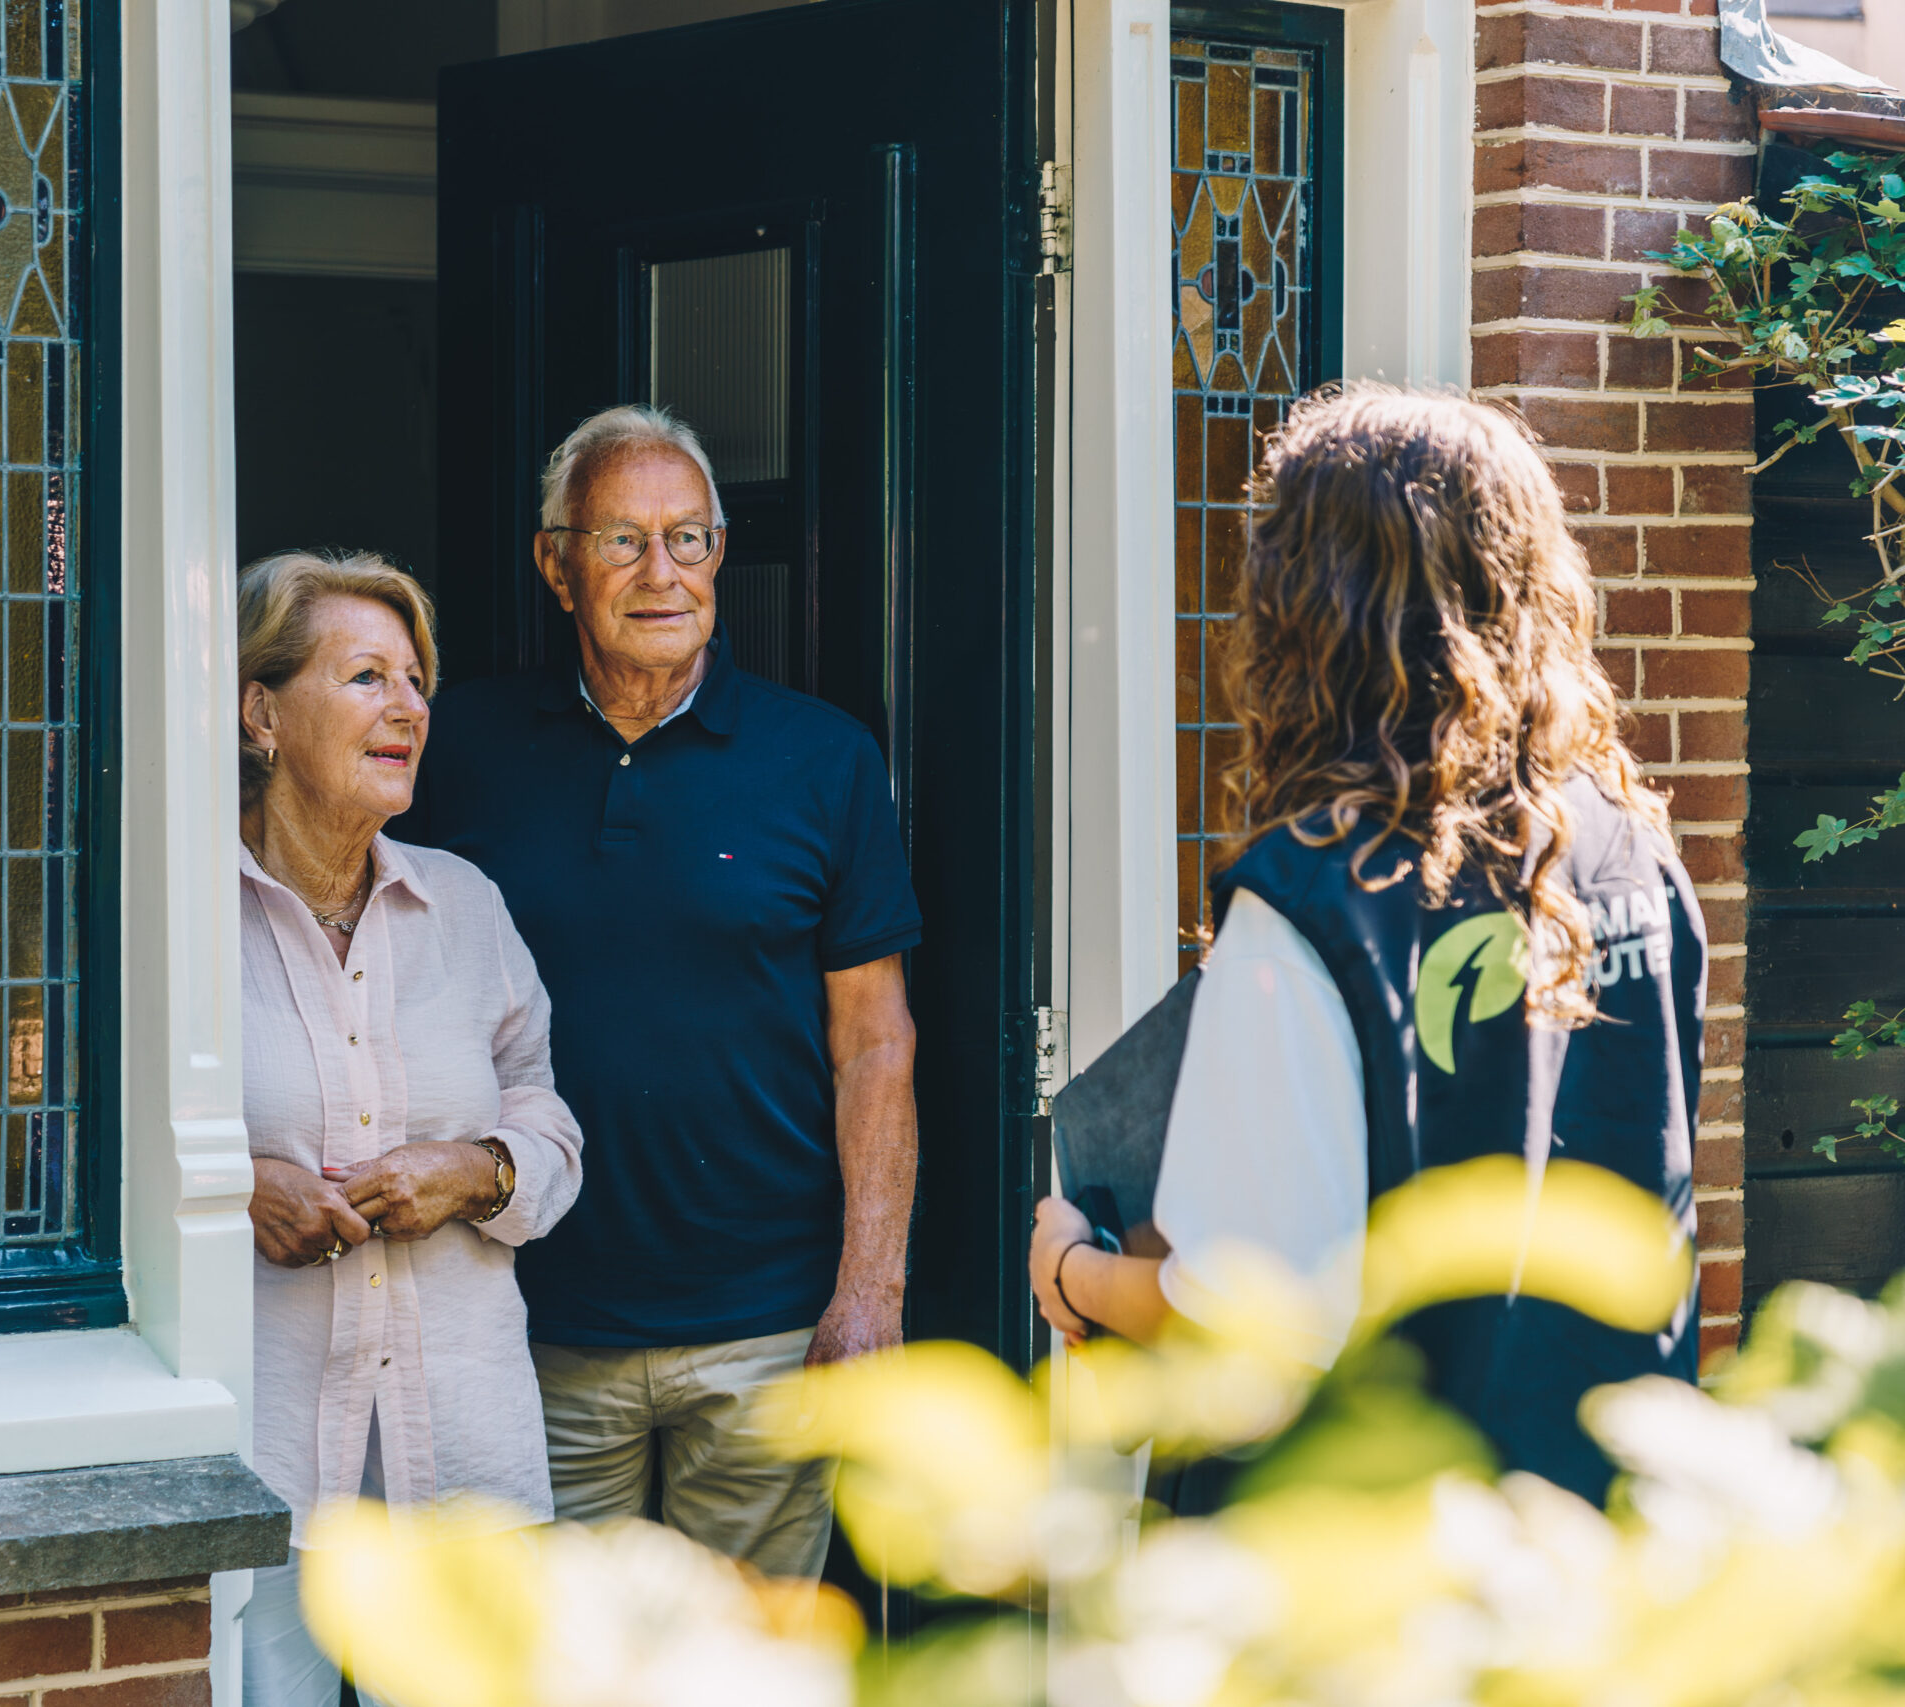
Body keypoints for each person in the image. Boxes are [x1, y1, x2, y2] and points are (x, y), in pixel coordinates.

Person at [1030, 385, 1704, 1504]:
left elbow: (1249, 1329)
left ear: (1304, 609)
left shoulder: (1312, 901)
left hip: (1368, 1566)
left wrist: (1075, 1270)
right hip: (1589, 1540)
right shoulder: (1634, 858)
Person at [393, 405, 921, 1579]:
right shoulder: (459, 747)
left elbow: (874, 1044)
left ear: (721, 557)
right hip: (526, 1317)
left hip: (766, 1329)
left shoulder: (823, 759)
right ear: (556, 563)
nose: (660, 573)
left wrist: (868, 1292)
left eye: (688, 540)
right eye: (622, 540)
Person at [235, 550, 585, 1706]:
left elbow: (546, 1115)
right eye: (365, 677)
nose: (407, 708)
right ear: (261, 712)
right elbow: (95, 1138)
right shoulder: (184, 915)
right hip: (266, 1464)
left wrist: (476, 1171)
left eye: (415, 681)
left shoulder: (464, 906)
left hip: (466, 1465)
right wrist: (236, 1187)